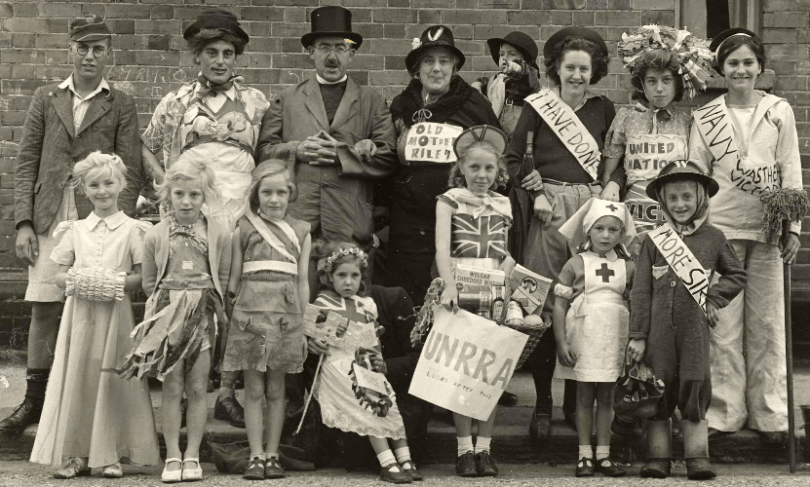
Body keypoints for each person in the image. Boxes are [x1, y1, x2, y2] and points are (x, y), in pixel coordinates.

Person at [3, 16, 142, 438]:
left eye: (98, 49)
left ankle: (90, 401)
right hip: (50, 215)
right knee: (45, 304)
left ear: (109, 54)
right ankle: (35, 399)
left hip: (96, 217)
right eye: (83, 48)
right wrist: (25, 222)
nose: (90, 56)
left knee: (97, 306)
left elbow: (130, 169)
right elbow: (27, 162)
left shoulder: (120, 103)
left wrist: (117, 225)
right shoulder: (47, 98)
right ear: (70, 50)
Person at [140, 8, 270, 428]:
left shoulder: (255, 101)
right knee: (187, 292)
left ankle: (227, 392)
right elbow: (147, 146)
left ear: (236, 58)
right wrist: (166, 186)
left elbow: (268, 153)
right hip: (192, 210)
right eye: (211, 52)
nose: (220, 60)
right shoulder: (176, 101)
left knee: (233, 294)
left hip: (240, 209)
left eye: (227, 53)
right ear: (197, 56)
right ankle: (179, 385)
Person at [689, 29, 803, 443]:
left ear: (760, 68)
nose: (740, 70)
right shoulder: (706, 117)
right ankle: (724, 412)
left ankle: (771, 414)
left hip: (769, 229)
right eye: (733, 63)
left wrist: (793, 227)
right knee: (723, 325)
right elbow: (697, 173)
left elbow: (790, 168)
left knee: (768, 323)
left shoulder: (779, 110)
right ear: (722, 69)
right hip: (722, 228)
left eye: (747, 62)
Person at [505, 26, 616, 441]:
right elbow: (512, 159)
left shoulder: (603, 109)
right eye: (570, 68)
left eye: (584, 69)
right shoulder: (538, 107)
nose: (577, 76)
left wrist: (610, 188)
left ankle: (573, 403)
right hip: (547, 209)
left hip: (590, 208)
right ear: (557, 69)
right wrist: (534, 190)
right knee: (545, 304)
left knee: (583, 302)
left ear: (594, 72)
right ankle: (542, 404)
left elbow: (615, 160)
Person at [29, 153, 159, 478]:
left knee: (112, 378)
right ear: (84, 189)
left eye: (109, 183)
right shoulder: (74, 230)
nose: (102, 191)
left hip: (115, 315)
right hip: (81, 316)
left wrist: (114, 282)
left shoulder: (133, 230)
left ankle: (109, 452)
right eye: (94, 185)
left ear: (121, 185)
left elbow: (142, 278)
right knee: (79, 379)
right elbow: (58, 275)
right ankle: (74, 453)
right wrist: (79, 280)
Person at [627, 162, 746, 480]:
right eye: (673, 198)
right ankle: (658, 457)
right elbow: (640, 291)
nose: (680, 204)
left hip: (694, 332)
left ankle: (697, 457)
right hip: (658, 335)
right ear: (663, 201)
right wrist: (637, 335)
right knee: (658, 387)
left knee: (695, 383)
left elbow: (736, 275)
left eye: (687, 197)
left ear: (701, 198)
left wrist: (714, 298)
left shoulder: (714, 238)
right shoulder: (654, 240)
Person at [255, 5, 397, 270]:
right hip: (297, 221)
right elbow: (263, 153)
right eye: (324, 48)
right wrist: (297, 150)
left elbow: (388, 157)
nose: (332, 57)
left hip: (349, 222)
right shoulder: (286, 99)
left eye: (340, 48)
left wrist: (342, 155)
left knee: (347, 292)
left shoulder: (372, 101)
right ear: (311, 52)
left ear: (351, 54)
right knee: (299, 289)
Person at [119, 158, 231, 482]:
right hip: (168, 319)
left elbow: (222, 277)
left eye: (194, 195)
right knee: (171, 387)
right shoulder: (156, 235)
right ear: (168, 195)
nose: (186, 201)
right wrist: (167, 310)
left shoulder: (218, 233)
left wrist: (204, 305)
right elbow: (149, 282)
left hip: (201, 319)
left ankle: (192, 455)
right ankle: (172, 455)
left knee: (197, 387)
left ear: (205, 196)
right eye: (179, 194)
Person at [385, 25, 500, 308]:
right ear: (417, 68)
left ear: (454, 67)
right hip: (410, 222)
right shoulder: (401, 105)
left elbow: (497, 155)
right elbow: (388, 157)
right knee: (409, 293)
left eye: (444, 61)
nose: (436, 69)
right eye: (428, 61)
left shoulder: (475, 105)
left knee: (457, 294)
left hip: (460, 218)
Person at [222, 163, 311, 481]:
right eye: (267, 192)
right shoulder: (243, 229)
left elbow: (302, 281)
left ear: (291, 194)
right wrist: (232, 322)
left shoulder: (301, 231)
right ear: (256, 195)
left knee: (276, 388)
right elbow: (233, 281)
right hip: (250, 317)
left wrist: (304, 324)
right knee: (254, 389)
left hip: (286, 318)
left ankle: (272, 455)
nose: (274, 199)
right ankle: (256, 455)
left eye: (281, 192)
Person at [434, 125, 514, 478]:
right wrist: (449, 286)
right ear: (461, 169)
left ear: (499, 172)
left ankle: (485, 449)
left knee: (489, 374)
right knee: (462, 372)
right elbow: (441, 248)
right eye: (475, 167)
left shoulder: (503, 203)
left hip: (493, 288)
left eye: (489, 168)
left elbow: (503, 250)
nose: (482, 175)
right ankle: (464, 449)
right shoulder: (449, 200)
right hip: (460, 285)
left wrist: (509, 269)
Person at [310, 242, 423, 484]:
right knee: (370, 403)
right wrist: (328, 330)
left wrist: (378, 361)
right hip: (339, 367)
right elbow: (315, 335)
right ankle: (387, 461)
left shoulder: (367, 305)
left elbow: (372, 341)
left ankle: (405, 458)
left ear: (362, 277)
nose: (348, 282)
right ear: (329, 277)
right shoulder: (322, 303)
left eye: (354, 276)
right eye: (341, 275)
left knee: (389, 403)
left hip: (365, 364)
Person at [602, 26, 714, 248]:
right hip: (634, 216)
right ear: (642, 84)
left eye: (666, 80)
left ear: (677, 83)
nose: (659, 89)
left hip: (674, 216)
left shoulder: (688, 123)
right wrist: (613, 185)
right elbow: (610, 170)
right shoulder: (626, 118)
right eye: (652, 81)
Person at [552, 198, 636, 478]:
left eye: (613, 230)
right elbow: (560, 306)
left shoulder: (628, 267)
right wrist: (562, 342)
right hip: (584, 333)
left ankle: (603, 454)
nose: (606, 235)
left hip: (614, 334)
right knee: (585, 395)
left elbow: (636, 304)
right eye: (599, 229)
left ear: (621, 233)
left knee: (608, 395)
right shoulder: (575, 264)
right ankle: (584, 454)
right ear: (588, 230)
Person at [471, 31, 541, 140]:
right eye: (501, 54)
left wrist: (519, 71)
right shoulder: (498, 78)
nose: (505, 58)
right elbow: (487, 82)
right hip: (495, 136)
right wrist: (478, 83)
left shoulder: (527, 79)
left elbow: (525, 83)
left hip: (517, 139)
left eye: (512, 54)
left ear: (526, 61)